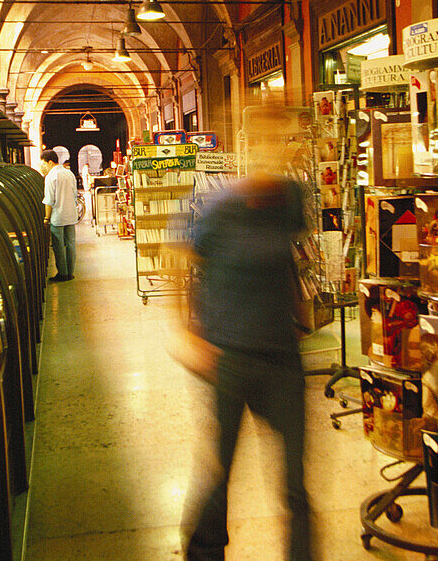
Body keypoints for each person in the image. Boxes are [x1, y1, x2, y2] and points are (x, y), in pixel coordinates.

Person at [181, 106, 314, 561]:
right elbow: (186, 264)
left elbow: (291, 259)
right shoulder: (219, 209)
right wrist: (190, 335)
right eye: (264, 141)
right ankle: (204, 551)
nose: (272, 151)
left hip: (281, 357)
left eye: (282, 141)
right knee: (220, 472)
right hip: (230, 357)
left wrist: (298, 314)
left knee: (295, 479)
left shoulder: (292, 198)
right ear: (249, 147)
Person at [40, 149, 78, 282]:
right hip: (71, 215)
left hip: (58, 217)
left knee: (58, 246)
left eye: (44, 164)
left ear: (50, 162)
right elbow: (75, 195)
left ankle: (62, 273)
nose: (43, 167)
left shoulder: (51, 177)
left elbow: (49, 200)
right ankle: (70, 272)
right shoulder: (69, 174)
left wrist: (46, 218)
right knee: (71, 244)